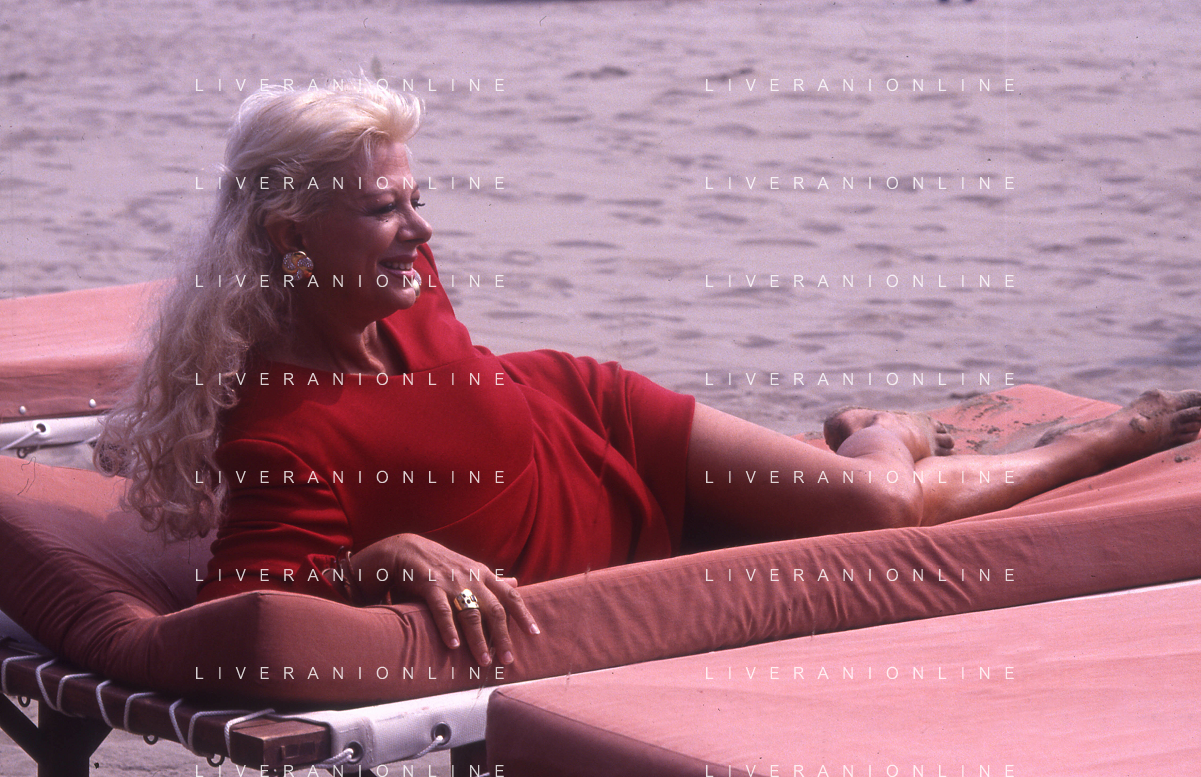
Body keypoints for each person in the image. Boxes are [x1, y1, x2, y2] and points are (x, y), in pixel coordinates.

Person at [98, 83, 1201, 670]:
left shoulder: (397, 276)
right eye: (383, 207)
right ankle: (882, 424)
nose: (421, 229)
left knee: (878, 505)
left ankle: (1113, 431)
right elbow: (240, 612)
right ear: (291, 232)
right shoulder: (279, 429)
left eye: (416, 198)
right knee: (858, 506)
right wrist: (372, 564)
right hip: (614, 543)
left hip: (599, 418)